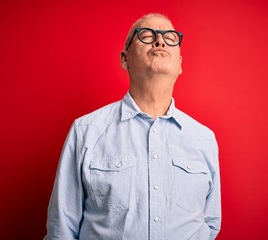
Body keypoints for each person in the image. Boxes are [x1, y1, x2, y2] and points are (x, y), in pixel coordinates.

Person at [45, 13, 221, 240]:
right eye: (147, 36)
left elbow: (210, 224)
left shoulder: (204, 140)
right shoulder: (86, 131)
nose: (160, 41)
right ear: (124, 58)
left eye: (170, 37)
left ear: (180, 64)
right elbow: (62, 229)